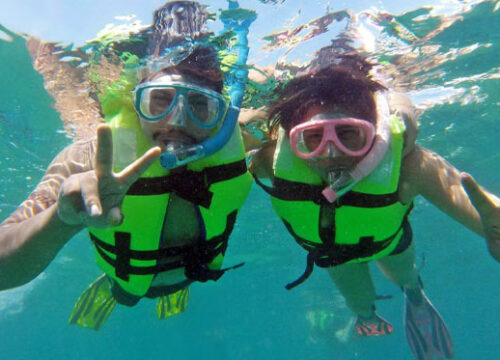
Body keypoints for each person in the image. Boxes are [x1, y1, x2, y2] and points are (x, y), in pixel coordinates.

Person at [0, 1, 255, 330]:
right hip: (125, 281)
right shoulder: (89, 157)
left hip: (195, 275)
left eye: (201, 106)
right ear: (136, 103)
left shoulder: (245, 143)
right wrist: (61, 219)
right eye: (160, 100)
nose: (178, 121)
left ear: (221, 115)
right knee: (126, 294)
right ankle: (114, 291)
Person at [249, 48, 500, 360]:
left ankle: (414, 294)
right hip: (332, 255)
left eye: (349, 135)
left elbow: (478, 206)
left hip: (389, 242)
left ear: (377, 136)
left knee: (405, 273)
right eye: (313, 138)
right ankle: (367, 316)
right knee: (358, 299)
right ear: (292, 141)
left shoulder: (410, 167)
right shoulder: (270, 163)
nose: (331, 153)